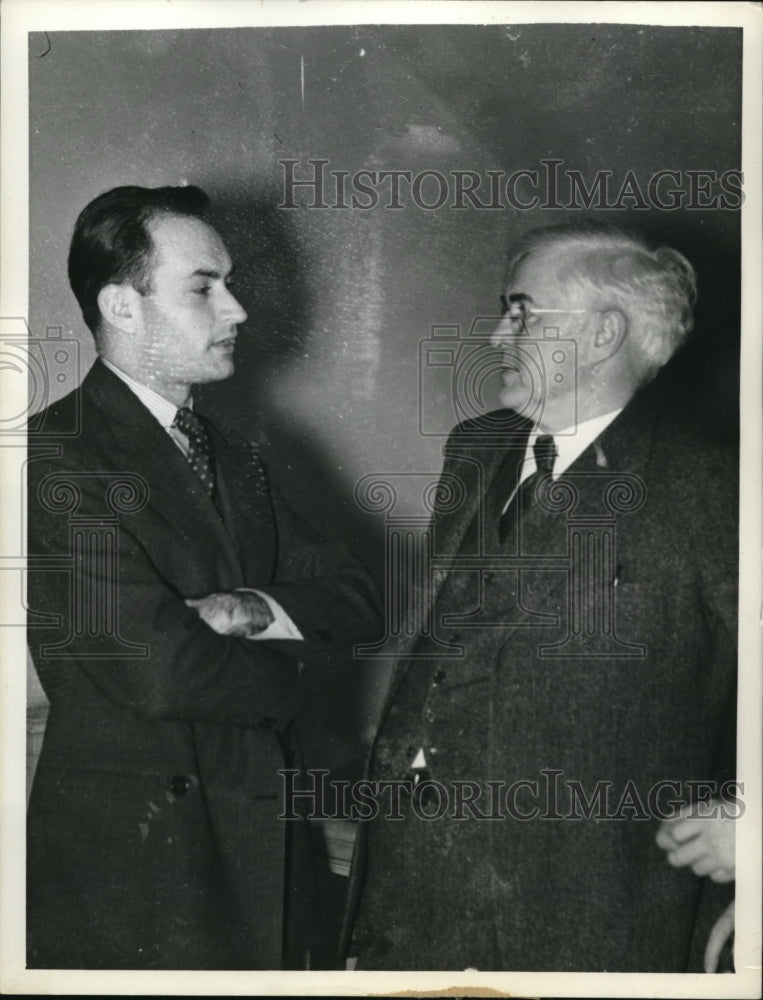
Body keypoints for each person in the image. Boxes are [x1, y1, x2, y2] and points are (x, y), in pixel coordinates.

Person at [347, 222, 738, 972]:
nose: (498, 335)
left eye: (522, 313)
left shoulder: (711, 488)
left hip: (586, 921)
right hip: (409, 899)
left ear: (601, 334)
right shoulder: (475, 448)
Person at [26, 184, 380, 970]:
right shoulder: (58, 456)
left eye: (231, 284)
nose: (238, 310)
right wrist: (293, 676)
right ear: (122, 307)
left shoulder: (234, 453)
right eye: (203, 288)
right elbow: (157, 670)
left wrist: (245, 608)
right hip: (139, 870)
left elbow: (358, 598)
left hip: (262, 844)